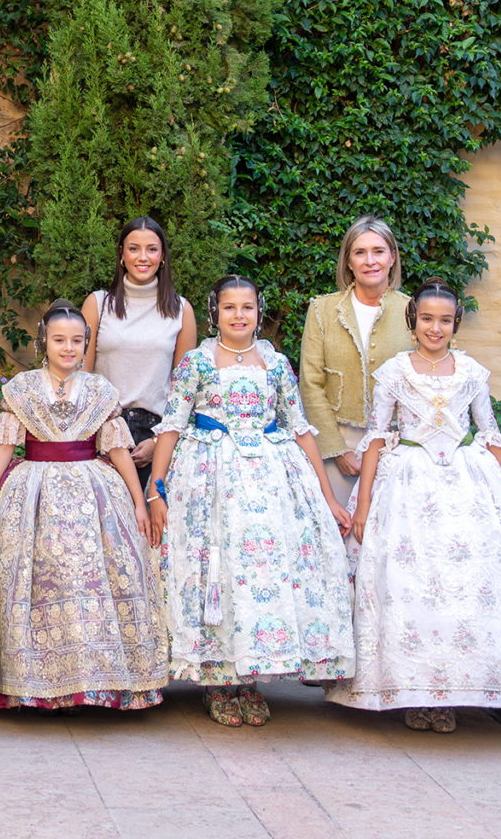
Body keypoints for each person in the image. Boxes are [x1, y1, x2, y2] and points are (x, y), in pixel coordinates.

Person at [332, 282, 501, 730]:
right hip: (408, 483)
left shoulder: (471, 371)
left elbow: (490, 434)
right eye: (428, 319)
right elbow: (376, 436)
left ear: (456, 325)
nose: (436, 328)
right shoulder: (395, 371)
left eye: (446, 320)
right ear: (413, 321)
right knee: (415, 583)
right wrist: (363, 505)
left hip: (467, 482)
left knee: (463, 583)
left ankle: (452, 691)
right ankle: (414, 692)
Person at [146, 276, 354, 727]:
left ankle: (251, 678)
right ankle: (219, 682)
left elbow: (299, 428)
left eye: (247, 307)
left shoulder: (276, 365)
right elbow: (172, 427)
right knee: (217, 571)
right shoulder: (196, 363)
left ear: (259, 311)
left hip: (269, 485)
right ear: (213, 313)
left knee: (262, 573)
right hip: (210, 485)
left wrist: (325, 495)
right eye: (229, 308)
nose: (239, 315)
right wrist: (156, 489)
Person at [0, 302, 167, 710]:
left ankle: (98, 680)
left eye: (77, 341)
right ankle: (35, 682)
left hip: (93, 492)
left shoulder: (100, 391)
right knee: (42, 577)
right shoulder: (22, 389)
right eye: (59, 340)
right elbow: (4, 445)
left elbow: (117, 450)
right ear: (44, 341)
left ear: (86, 344)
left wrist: (137, 501)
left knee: (93, 579)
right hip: (33, 492)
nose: (68, 348)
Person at [299, 216, 414, 510]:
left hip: (397, 446)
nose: (370, 261)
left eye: (378, 251)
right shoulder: (322, 310)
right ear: (348, 261)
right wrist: (337, 450)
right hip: (339, 445)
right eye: (360, 252)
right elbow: (311, 384)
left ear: (393, 257)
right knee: (338, 534)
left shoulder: (413, 311)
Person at [81, 216, 196, 455]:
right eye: (134, 249)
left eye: (152, 249)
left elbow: (183, 390)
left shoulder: (181, 310)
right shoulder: (98, 304)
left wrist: (158, 443)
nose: (143, 257)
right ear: (122, 255)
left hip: (156, 433)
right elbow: (81, 378)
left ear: (162, 256)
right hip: (104, 428)